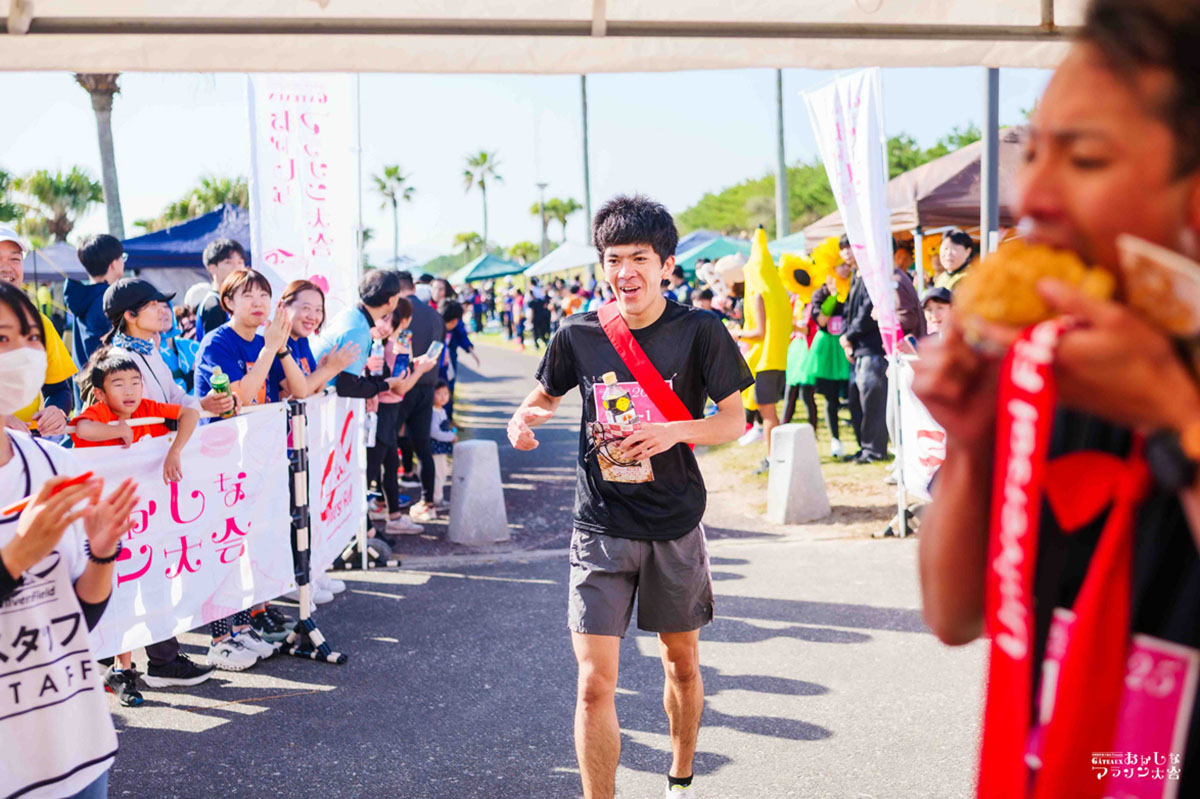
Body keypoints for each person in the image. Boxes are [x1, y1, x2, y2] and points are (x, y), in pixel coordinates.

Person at [914, 1, 1200, 794]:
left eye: (1086, 159)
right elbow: (955, 613)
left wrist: (1178, 418)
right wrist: (972, 444)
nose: (1031, 195)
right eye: (1034, 151)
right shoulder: (1058, 366)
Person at [507, 194, 752, 799]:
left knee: (681, 664)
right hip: (599, 526)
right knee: (594, 685)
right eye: (613, 259)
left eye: (639, 258)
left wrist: (672, 432)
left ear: (666, 265)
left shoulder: (701, 330)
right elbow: (544, 396)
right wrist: (523, 419)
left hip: (674, 523)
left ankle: (680, 778)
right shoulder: (578, 333)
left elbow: (733, 421)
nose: (625, 272)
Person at [0, 281, 139, 799]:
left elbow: (76, 618)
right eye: (3, 339)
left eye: (32, 338)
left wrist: (102, 554)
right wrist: (16, 557)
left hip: (77, 749)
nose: (24, 355)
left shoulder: (55, 465)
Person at [98, 277, 224, 688]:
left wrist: (201, 405)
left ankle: (158, 658)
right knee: (135, 567)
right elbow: (142, 414)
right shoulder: (119, 359)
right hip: (129, 477)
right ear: (130, 316)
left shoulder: (150, 350)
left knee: (151, 565)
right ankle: (134, 661)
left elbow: (173, 399)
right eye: (154, 304)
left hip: (152, 473)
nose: (164, 309)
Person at [70, 346, 200, 708]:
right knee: (120, 592)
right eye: (119, 384)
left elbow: (189, 412)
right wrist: (113, 429)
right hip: (110, 524)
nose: (129, 390)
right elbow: (80, 427)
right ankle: (121, 669)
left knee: (153, 586)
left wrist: (175, 450)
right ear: (101, 393)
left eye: (135, 382)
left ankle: (154, 662)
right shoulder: (99, 412)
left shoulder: (148, 408)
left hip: (149, 522)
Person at [314, 270, 436, 534]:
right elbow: (348, 385)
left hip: (322, 405)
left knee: (382, 466)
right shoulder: (359, 329)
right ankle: (359, 532)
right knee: (362, 474)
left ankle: (369, 528)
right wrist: (384, 386)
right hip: (316, 409)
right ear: (391, 301)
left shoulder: (353, 317)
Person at [0, 226, 76, 438]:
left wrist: (57, 410)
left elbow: (59, 390)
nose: (7, 268)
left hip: (27, 445)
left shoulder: (40, 324)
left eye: (15, 259)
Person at [389, 270, 446, 525]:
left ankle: (387, 504)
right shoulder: (434, 314)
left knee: (389, 442)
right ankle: (428, 503)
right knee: (423, 445)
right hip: (428, 385)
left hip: (402, 384)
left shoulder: (398, 311)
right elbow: (440, 351)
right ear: (413, 286)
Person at [840, 235, 889, 463]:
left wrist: (848, 336)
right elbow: (848, 312)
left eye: (850, 247)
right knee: (858, 401)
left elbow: (867, 314)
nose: (846, 253)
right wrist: (846, 338)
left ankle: (874, 450)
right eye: (843, 249)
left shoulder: (871, 276)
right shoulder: (856, 275)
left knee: (872, 402)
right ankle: (865, 447)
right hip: (859, 349)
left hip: (872, 348)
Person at [65, 233, 123, 368]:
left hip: (85, 377)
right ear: (113, 264)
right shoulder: (107, 301)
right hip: (106, 375)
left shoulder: (84, 297)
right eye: (122, 257)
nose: (123, 262)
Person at [193, 238, 246, 341]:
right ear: (212, 268)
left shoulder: (238, 301)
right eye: (228, 262)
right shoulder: (213, 304)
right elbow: (215, 347)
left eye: (240, 262)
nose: (236, 267)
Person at [437, 299, 481, 421]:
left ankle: (447, 420)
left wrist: (471, 350)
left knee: (447, 392)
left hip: (448, 365)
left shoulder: (454, 327)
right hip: (437, 369)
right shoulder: (435, 327)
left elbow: (462, 336)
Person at [429, 379, 456, 509]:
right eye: (439, 393)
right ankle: (436, 499)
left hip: (441, 449)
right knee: (438, 474)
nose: (443, 397)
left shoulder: (441, 410)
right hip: (435, 449)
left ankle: (438, 497)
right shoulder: (433, 412)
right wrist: (451, 437)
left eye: (446, 393)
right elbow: (434, 432)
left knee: (442, 472)